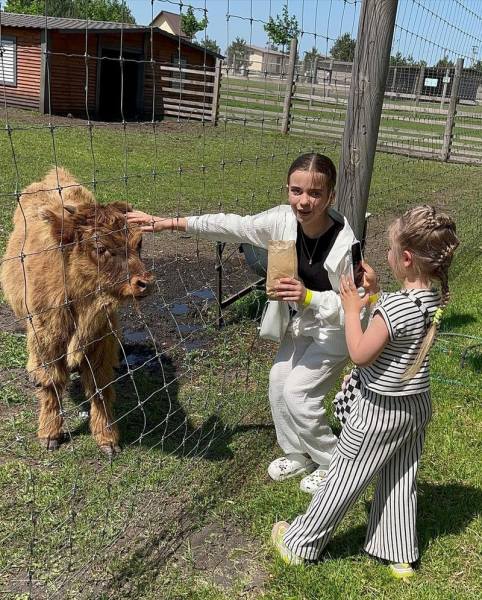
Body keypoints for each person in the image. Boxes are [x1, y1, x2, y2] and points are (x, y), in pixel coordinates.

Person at [127, 153, 364, 494]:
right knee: (278, 381)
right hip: (300, 325)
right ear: (287, 190)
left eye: (315, 193)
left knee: (299, 394)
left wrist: (308, 296)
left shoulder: (345, 244)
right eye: (297, 191)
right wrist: (168, 222)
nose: (304, 201)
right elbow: (231, 224)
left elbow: (352, 307)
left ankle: (334, 464)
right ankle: (299, 454)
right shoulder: (283, 220)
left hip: (335, 330)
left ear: (331, 196)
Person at [271, 205, 459, 578]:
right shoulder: (430, 301)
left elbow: (359, 353)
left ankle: (299, 543)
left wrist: (353, 306)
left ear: (405, 259)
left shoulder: (393, 308)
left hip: (379, 410)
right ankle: (398, 550)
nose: (385, 257)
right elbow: (394, 335)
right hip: (416, 406)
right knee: (401, 476)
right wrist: (374, 295)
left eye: (390, 251)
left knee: (344, 476)